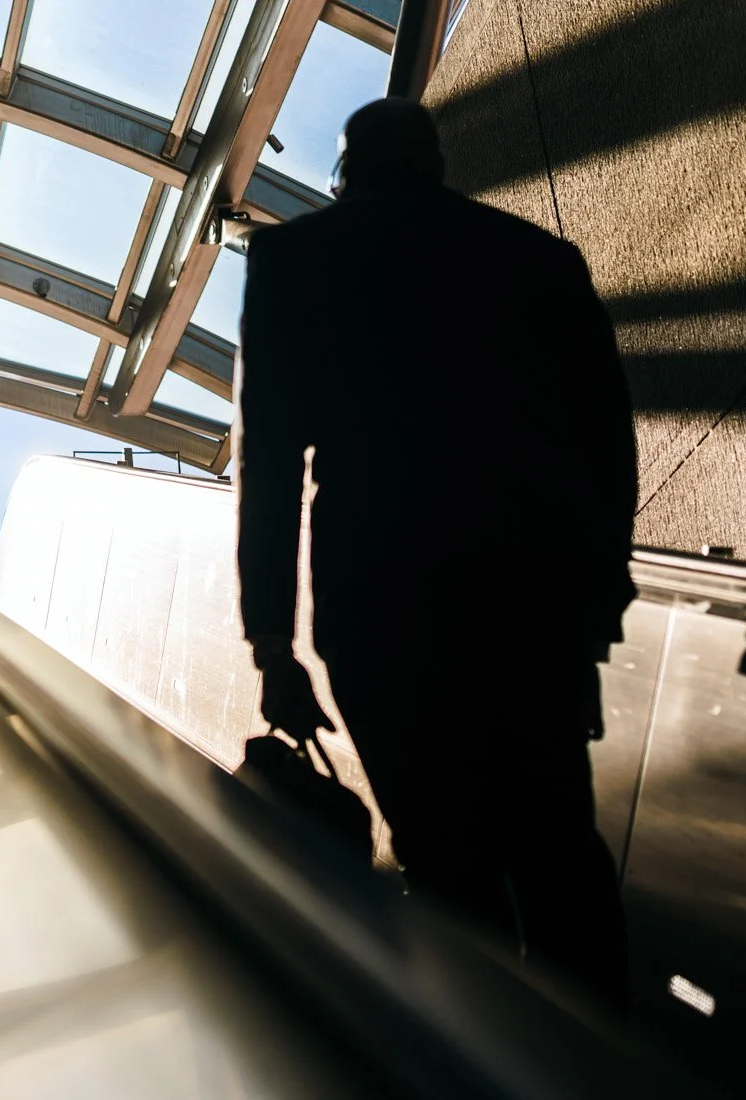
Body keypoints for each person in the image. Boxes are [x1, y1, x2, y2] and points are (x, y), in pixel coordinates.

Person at [235, 98, 637, 1001]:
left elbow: (269, 466)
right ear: (435, 163)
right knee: (557, 843)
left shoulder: (297, 259)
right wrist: (601, 589)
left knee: (443, 851)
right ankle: (615, 1074)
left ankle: (491, 1065)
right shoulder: (539, 259)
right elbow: (606, 438)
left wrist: (272, 643)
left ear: (345, 175)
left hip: (382, 606)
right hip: (531, 602)